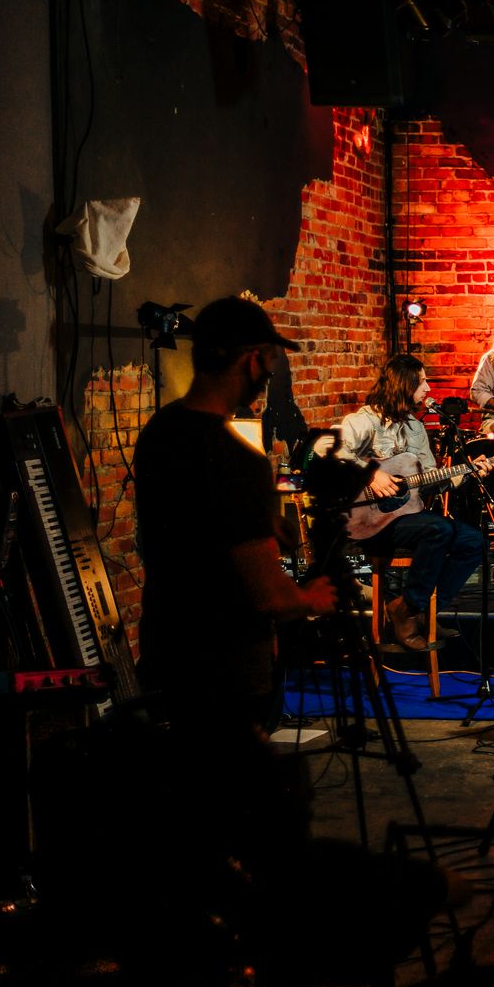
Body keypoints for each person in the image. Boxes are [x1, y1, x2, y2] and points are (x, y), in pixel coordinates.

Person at [134, 296, 339, 738]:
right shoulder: (237, 459)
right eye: (270, 359)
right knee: (236, 795)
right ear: (252, 360)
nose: (269, 372)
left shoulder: (159, 432)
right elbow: (268, 596)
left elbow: (193, 524)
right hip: (225, 668)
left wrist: (258, 522)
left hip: (167, 649)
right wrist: (312, 599)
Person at [338, 355, 488, 650]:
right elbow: (327, 452)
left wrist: (467, 472)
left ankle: (416, 610)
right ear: (404, 384)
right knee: (438, 530)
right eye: (422, 381)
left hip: (404, 518)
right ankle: (409, 612)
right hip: (368, 522)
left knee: (474, 542)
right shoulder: (362, 421)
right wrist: (371, 476)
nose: (428, 389)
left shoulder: (415, 429)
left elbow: (432, 478)